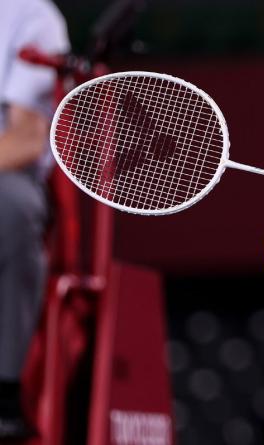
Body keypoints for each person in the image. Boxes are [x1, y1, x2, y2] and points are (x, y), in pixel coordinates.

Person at [0, 0, 70, 438]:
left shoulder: (29, 14)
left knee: (9, 206)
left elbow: (26, 139)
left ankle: (3, 389)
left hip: (6, 170)